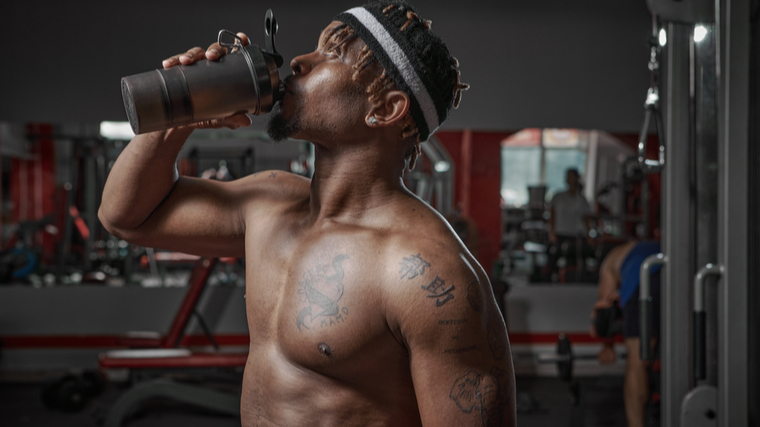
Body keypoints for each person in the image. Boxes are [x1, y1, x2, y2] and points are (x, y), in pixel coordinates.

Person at [99, 1, 516, 426]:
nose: (298, 61)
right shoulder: (268, 203)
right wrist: (184, 111)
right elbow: (124, 217)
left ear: (385, 109)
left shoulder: (428, 274)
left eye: (331, 55)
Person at [590, 240, 661, 427]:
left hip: (643, 277)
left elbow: (603, 307)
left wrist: (607, 345)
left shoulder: (610, 261)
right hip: (673, 268)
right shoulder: (644, 246)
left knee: (638, 362)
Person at [547, 168, 593, 280]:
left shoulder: (582, 200)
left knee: (576, 257)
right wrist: (551, 231)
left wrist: (589, 235)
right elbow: (552, 215)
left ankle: (576, 278)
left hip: (576, 234)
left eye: (572, 176)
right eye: (568, 177)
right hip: (560, 233)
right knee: (554, 254)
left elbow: (586, 219)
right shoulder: (558, 197)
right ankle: (552, 276)